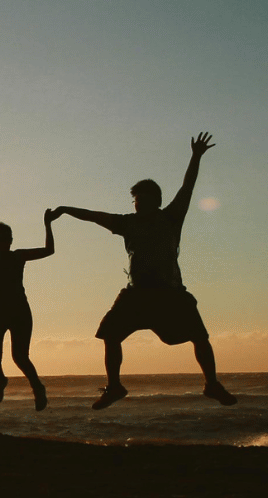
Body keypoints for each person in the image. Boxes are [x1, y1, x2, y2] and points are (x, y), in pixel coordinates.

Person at [53, 132, 237, 410]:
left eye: (141, 199)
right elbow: (93, 215)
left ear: (155, 201)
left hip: (169, 293)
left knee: (200, 336)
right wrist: (66, 209)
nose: (137, 204)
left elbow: (188, 186)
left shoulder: (171, 217)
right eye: (135, 200)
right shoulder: (126, 223)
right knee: (110, 335)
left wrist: (195, 156)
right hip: (136, 294)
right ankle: (115, 387)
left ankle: (212, 384)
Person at [0, 191, 55, 410]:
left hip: (19, 308)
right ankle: (0, 380)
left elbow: (49, 250)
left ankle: (38, 388)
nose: (7, 243)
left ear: (11, 242)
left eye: (9, 239)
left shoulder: (18, 256)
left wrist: (47, 225)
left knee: (19, 356)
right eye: (2, 239)